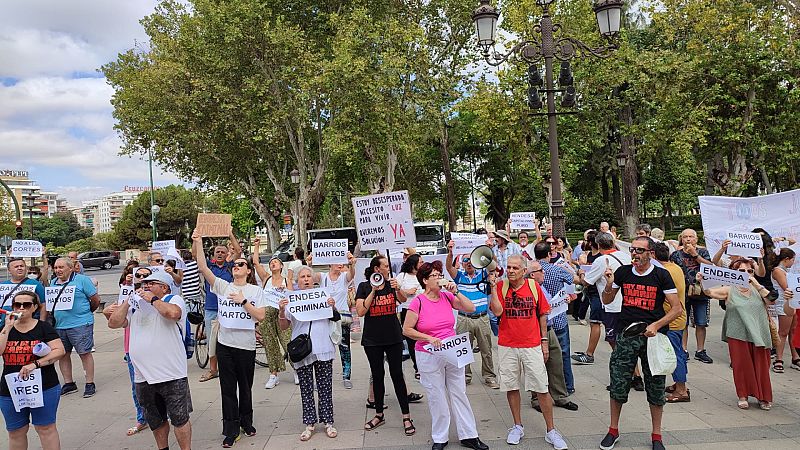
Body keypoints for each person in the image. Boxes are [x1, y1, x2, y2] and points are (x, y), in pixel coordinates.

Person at [599, 236, 682, 450]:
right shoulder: (623, 273)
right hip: (626, 334)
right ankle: (613, 430)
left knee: (655, 386)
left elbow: (676, 308)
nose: (635, 254)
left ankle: (656, 436)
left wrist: (656, 325)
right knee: (618, 383)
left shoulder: (661, 275)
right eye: (633, 250)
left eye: (639, 250)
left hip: (653, 337)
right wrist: (609, 284)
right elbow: (607, 300)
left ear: (650, 253)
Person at [402, 260, 489, 450]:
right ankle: (440, 437)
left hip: (451, 349)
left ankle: (469, 435)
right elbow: (407, 329)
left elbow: (470, 308)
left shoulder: (447, 297)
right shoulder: (418, 302)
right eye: (435, 275)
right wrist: (427, 337)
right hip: (428, 352)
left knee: (459, 392)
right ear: (425, 281)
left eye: (440, 274)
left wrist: (456, 291)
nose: (439, 278)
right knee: (437, 395)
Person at [193, 230, 267, 447]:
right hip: (225, 345)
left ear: (248, 270)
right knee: (227, 388)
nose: (237, 266)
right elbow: (203, 268)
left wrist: (244, 302)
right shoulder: (223, 286)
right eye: (235, 265)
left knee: (245, 387)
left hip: (245, 346)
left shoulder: (255, 291)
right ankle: (231, 429)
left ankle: (247, 421)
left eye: (241, 264)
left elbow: (261, 316)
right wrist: (198, 242)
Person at [106, 270, 193, 449]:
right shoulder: (136, 305)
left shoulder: (173, 299)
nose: (145, 286)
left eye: (151, 283)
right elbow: (114, 323)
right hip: (142, 376)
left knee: (180, 419)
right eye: (143, 283)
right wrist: (127, 302)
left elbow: (173, 314)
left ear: (164, 287)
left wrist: (152, 300)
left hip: (171, 374)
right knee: (156, 420)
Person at [491, 254, 567, 449]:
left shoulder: (534, 287)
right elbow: (497, 312)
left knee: (542, 387)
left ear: (524, 271)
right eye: (508, 267)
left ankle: (551, 430)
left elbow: (543, 314)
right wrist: (493, 287)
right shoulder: (501, 286)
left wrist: (543, 341)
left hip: (531, 344)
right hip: (508, 344)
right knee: (511, 386)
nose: (510, 271)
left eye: (515, 268)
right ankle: (517, 426)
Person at [702, 259, 790, 410]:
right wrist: (702, 282)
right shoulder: (729, 289)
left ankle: (764, 397)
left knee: (762, 366)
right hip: (737, 333)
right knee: (741, 365)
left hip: (759, 333)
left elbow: (771, 301)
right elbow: (709, 293)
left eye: (749, 271)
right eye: (741, 271)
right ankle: (743, 395)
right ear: (733, 273)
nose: (746, 274)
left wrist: (755, 283)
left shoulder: (759, 289)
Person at [278, 266, 341, 441]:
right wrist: (282, 311)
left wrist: (332, 307)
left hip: (323, 347)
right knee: (306, 389)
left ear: (313, 280)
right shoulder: (291, 300)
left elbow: (335, 318)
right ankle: (309, 423)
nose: (306, 279)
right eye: (302, 277)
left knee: (325, 387)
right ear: (297, 281)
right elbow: (284, 326)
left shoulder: (323, 296)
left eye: (308, 276)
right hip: (302, 351)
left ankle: (328, 421)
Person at [356, 255, 416, 435]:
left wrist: (398, 289)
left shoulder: (392, 283)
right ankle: (379, 414)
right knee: (378, 375)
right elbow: (360, 310)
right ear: (377, 269)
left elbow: (403, 300)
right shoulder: (364, 286)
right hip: (373, 340)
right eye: (385, 266)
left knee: (397, 375)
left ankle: (406, 416)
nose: (388, 268)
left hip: (393, 338)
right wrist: (373, 291)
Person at [0, 291, 66, 450]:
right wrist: (7, 328)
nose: (21, 308)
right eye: (17, 304)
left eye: (26, 305)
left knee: (45, 428)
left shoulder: (43, 328)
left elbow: (59, 350)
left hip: (44, 386)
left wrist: (35, 364)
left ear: (34, 307)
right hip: (11, 388)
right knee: (16, 431)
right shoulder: (5, 329)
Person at [527, 260, 579, 413]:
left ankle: (560, 396)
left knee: (556, 361)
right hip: (536, 331)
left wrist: (565, 299)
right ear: (532, 275)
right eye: (541, 271)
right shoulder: (529, 289)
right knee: (536, 364)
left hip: (549, 328)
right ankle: (536, 398)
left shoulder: (541, 286)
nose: (544, 272)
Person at [106, 266, 152, 436]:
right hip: (132, 348)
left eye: (145, 275)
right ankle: (142, 419)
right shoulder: (127, 296)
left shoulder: (158, 296)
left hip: (154, 349)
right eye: (137, 275)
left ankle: (164, 414)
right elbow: (115, 322)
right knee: (137, 387)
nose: (141, 278)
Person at [446, 241, 498, 389]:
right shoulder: (459, 276)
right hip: (464, 318)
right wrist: (450, 253)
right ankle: (464, 377)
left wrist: (488, 251)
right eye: (465, 260)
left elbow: (493, 266)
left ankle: (489, 376)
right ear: (462, 263)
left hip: (482, 317)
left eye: (471, 259)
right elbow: (449, 267)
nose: (468, 263)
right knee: (463, 350)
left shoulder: (483, 273)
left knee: (486, 349)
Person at [305, 250, 357, 388]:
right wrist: (309, 263)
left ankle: (347, 376)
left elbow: (352, 274)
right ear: (330, 263)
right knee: (323, 348)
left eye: (341, 261)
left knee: (344, 347)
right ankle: (320, 378)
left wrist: (351, 264)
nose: (340, 264)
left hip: (342, 317)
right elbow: (310, 277)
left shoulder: (344, 276)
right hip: (325, 317)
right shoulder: (323, 277)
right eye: (337, 261)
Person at [50, 257, 101, 398]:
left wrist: (86, 313)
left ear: (70, 268)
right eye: (55, 268)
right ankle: (69, 383)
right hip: (60, 325)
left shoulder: (82, 280)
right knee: (63, 354)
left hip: (80, 324)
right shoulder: (53, 282)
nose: (57, 270)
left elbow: (96, 300)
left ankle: (90, 383)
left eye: (61, 267)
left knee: (84, 353)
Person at [534, 242, 579, 395]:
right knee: (563, 353)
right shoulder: (557, 270)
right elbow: (575, 280)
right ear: (549, 255)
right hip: (558, 318)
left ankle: (543, 386)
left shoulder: (529, 272)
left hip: (537, 322)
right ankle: (567, 385)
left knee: (539, 355)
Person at [252, 238, 295, 388]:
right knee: (270, 345)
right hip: (267, 314)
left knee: (287, 342)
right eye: (271, 262)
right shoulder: (266, 278)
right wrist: (256, 246)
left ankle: (296, 370)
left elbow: (293, 298)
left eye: (276, 262)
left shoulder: (286, 280)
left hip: (282, 314)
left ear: (281, 266)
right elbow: (256, 263)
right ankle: (273, 374)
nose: (273, 263)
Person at [199, 232, 242, 383]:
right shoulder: (208, 266)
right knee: (212, 341)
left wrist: (230, 234)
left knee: (231, 339)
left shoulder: (230, 267)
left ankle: (231, 367)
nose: (220, 254)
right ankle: (213, 370)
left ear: (226, 255)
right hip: (212, 309)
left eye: (223, 252)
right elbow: (195, 254)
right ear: (213, 253)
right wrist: (197, 239)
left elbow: (238, 252)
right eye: (217, 251)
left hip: (229, 309)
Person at [670, 228, 714, 364]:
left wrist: (695, 255)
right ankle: (683, 350)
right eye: (685, 237)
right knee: (683, 323)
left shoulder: (703, 252)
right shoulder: (676, 255)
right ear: (681, 239)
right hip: (683, 293)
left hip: (700, 292)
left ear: (696, 239)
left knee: (701, 323)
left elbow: (711, 267)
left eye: (691, 237)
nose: (688, 239)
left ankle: (700, 350)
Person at [653, 243, 690, 403]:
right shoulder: (674, 267)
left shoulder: (663, 271)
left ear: (653, 255)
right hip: (679, 318)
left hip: (671, 319)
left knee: (676, 354)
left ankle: (681, 390)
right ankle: (679, 384)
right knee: (679, 352)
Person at [395, 253, 423, 380]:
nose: (422, 264)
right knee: (412, 341)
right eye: (420, 262)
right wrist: (407, 291)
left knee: (424, 338)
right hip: (408, 310)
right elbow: (396, 291)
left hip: (423, 311)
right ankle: (417, 367)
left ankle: (425, 365)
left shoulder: (423, 276)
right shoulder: (402, 276)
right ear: (413, 265)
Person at [770, 248, 798, 372]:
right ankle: (779, 359)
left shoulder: (785, 270)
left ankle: (795, 357)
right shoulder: (777, 270)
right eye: (792, 260)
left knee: (793, 331)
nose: (793, 262)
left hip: (792, 303)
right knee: (783, 332)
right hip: (784, 303)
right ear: (786, 259)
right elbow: (787, 287)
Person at [1, 258, 47, 324]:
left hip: (30, 325)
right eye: (16, 267)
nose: (20, 268)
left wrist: (42, 323)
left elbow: (43, 305)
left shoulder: (36, 284)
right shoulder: (2, 285)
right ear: (9, 270)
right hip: (5, 324)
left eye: (22, 266)